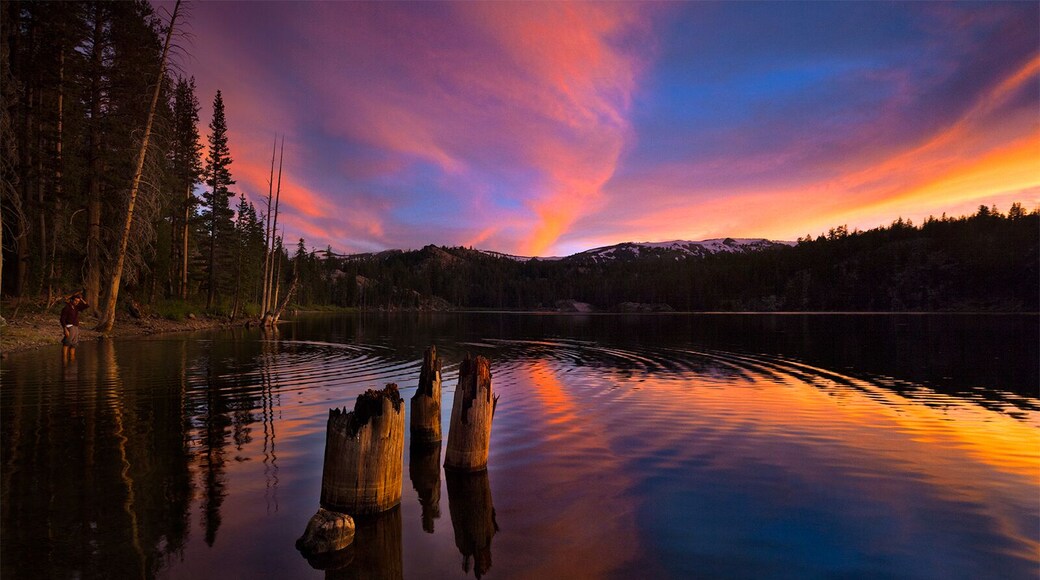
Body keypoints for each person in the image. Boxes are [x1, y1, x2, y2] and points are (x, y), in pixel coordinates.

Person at [60, 292, 89, 361]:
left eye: (78, 301)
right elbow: (62, 319)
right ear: (72, 300)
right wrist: (65, 329)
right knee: (67, 343)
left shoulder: (76, 307)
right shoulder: (67, 308)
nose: (76, 302)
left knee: (74, 344)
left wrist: (81, 299)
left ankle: (72, 360)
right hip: (69, 327)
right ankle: (64, 360)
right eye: (75, 301)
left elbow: (86, 305)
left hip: (75, 327)